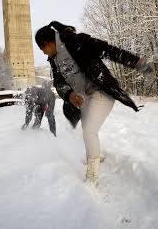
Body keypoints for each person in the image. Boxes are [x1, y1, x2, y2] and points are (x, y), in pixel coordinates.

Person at [35, 21, 152, 185]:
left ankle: (92, 176)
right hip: (86, 96)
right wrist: (70, 95)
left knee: (89, 130)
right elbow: (59, 84)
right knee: (86, 128)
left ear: (47, 43)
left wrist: (137, 62)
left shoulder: (75, 42)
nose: (44, 53)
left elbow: (108, 50)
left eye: (42, 49)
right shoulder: (54, 61)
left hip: (102, 90)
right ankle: (97, 155)